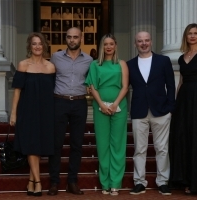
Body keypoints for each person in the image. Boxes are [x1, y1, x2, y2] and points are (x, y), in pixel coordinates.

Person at [127, 31, 175, 195]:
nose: (144, 43)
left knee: (162, 148)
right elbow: (125, 87)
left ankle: (162, 182)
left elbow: (171, 85)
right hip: (139, 111)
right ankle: (140, 182)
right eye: (140, 41)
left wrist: (170, 107)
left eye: (146, 40)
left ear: (151, 42)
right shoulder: (130, 64)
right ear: (135, 44)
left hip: (161, 110)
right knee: (139, 149)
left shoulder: (163, 60)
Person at [47, 27, 93, 196]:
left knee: (76, 144)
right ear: (66, 38)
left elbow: (92, 81)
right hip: (59, 102)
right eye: (69, 37)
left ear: (81, 39)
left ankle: (72, 182)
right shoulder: (55, 57)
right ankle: (54, 182)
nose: (72, 40)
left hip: (80, 104)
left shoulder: (89, 60)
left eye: (75, 37)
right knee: (56, 144)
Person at [9, 32, 55, 196]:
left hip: (46, 112)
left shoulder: (50, 67)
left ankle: (31, 182)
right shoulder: (23, 65)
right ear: (30, 46)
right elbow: (17, 92)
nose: (37, 46)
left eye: (40, 44)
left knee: (38, 146)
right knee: (31, 146)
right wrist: (13, 114)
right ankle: (38, 181)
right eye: (34, 44)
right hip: (27, 111)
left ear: (44, 46)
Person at [85, 33, 129, 195]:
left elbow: (125, 86)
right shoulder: (95, 65)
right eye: (105, 44)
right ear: (101, 47)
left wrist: (116, 103)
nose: (109, 47)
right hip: (100, 107)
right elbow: (92, 87)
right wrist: (102, 105)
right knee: (103, 145)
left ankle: (115, 183)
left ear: (116, 45)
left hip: (119, 105)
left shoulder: (122, 64)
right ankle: (105, 183)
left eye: (111, 44)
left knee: (118, 144)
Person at [169, 23, 197, 195]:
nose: (193, 36)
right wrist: (175, 103)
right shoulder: (181, 58)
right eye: (190, 33)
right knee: (184, 137)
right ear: (185, 37)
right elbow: (180, 82)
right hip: (184, 101)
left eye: (195, 33)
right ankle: (186, 179)